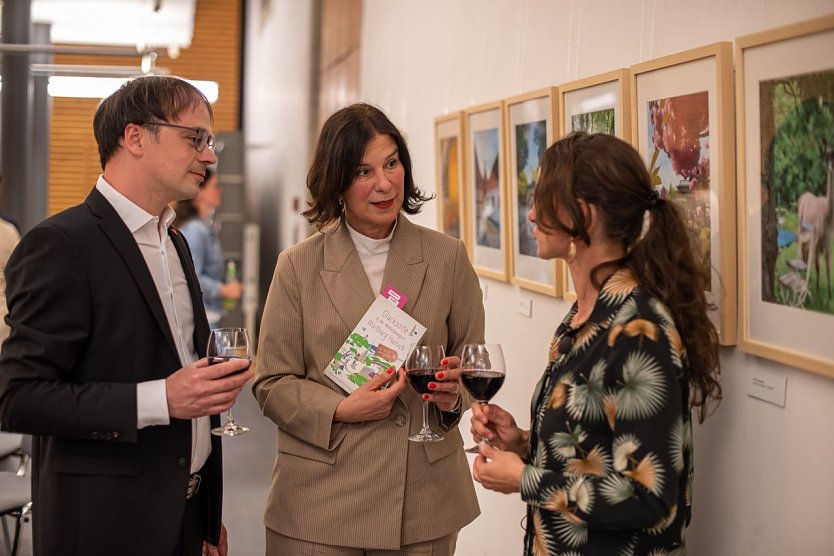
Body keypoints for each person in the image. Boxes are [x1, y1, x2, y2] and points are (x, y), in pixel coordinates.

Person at [0, 75, 253, 556]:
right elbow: (18, 398)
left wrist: (205, 516)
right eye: (194, 138)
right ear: (134, 137)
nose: (210, 156)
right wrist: (162, 399)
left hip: (184, 516)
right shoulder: (62, 245)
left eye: (210, 140)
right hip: (105, 525)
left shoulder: (174, 241)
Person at [470, 132, 722, 554]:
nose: (530, 214)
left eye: (542, 201)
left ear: (581, 215)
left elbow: (649, 496)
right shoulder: (582, 317)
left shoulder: (640, 330)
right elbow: (594, 451)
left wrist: (524, 478)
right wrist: (523, 442)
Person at [253, 102, 485, 555]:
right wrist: (340, 409)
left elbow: (472, 363)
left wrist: (456, 394)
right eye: (363, 172)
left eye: (392, 163)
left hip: (421, 499)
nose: (384, 183)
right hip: (318, 499)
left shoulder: (447, 257)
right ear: (336, 182)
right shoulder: (298, 267)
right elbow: (270, 383)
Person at [174, 167, 242, 328]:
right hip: (204, 317)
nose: (220, 191)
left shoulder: (203, 228)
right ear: (200, 192)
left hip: (210, 315)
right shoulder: (195, 231)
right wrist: (223, 290)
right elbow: (191, 275)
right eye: (215, 186)